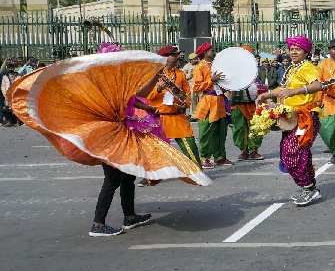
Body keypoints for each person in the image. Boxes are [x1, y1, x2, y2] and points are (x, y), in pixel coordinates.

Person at [7, 47, 210, 237]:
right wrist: (153, 85)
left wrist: (147, 107)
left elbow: (133, 98)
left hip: (124, 132)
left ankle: (130, 216)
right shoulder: (103, 87)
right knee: (112, 180)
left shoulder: (116, 84)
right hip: (110, 136)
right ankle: (98, 223)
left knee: (129, 176)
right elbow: (133, 97)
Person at [256, 35, 324, 206]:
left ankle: (307, 187)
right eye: (291, 48)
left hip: (305, 117)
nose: (293, 51)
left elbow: (318, 85)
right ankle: (309, 186)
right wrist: (266, 94)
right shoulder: (292, 68)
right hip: (291, 117)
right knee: (294, 152)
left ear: (305, 52)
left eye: (297, 49)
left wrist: (294, 92)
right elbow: (283, 89)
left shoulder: (307, 67)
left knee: (294, 151)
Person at [146, 45, 201, 167]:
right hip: (158, 117)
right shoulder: (153, 75)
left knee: (190, 143)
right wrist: (158, 90)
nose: (178, 57)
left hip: (177, 116)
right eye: (174, 55)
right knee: (155, 149)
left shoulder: (180, 74)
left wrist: (185, 103)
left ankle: (196, 172)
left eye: (177, 54)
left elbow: (187, 94)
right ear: (165, 57)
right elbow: (145, 97)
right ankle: (151, 176)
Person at [192, 42, 231, 169]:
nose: (213, 52)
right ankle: (205, 158)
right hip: (208, 101)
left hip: (220, 101)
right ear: (205, 52)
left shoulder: (216, 65)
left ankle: (220, 157)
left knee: (221, 131)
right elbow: (197, 87)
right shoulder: (199, 67)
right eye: (211, 50)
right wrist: (211, 80)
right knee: (206, 132)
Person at [230, 45, 266, 161]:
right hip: (237, 104)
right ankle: (244, 151)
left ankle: (254, 151)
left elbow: (262, 85)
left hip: (253, 103)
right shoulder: (232, 70)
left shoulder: (257, 69)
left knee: (256, 127)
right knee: (239, 129)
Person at [182, 53, 199, 119]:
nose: (196, 60)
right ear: (190, 60)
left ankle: (200, 114)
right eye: (194, 59)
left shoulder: (200, 65)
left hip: (200, 85)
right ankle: (193, 115)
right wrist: (189, 74)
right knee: (192, 100)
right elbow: (183, 77)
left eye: (196, 58)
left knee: (200, 100)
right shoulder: (186, 67)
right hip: (191, 86)